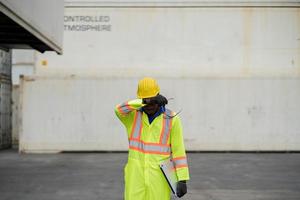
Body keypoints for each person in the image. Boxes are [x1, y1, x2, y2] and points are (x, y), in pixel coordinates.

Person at [115, 77, 190, 200]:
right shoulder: (133, 117)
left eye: (152, 102)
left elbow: (179, 151)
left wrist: (182, 179)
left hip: (159, 178)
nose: (148, 106)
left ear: (158, 98)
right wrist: (143, 101)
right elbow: (118, 110)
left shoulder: (171, 119)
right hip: (135, 177)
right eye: (145, 102)